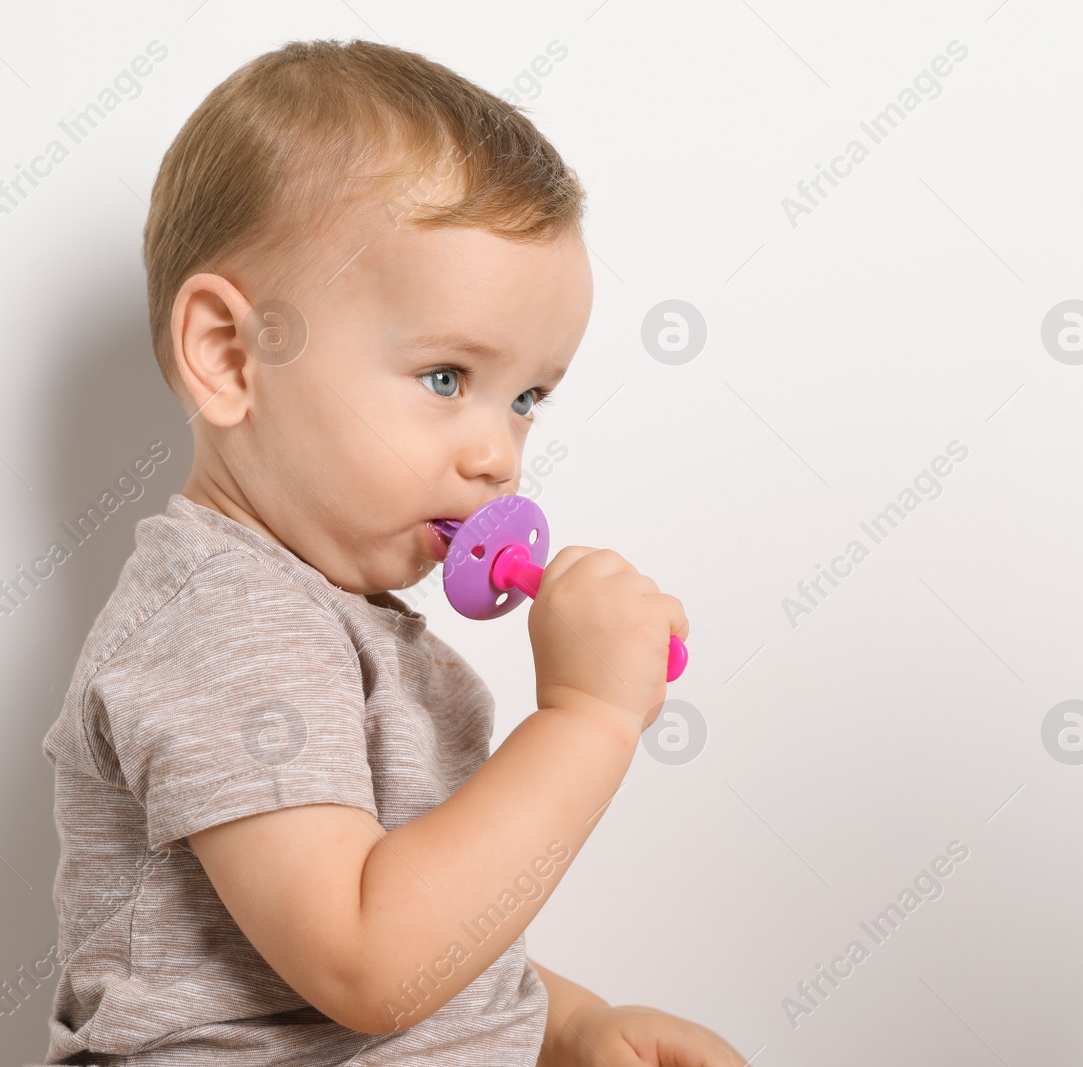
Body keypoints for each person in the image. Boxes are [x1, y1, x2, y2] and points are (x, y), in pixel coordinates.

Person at [40, 37, 742, 1066]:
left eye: (527, 399)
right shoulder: (226, 619)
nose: (496, 455)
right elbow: (367, 960)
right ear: (232, 356)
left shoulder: (334, 617)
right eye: (448, 377)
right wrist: (587, 717)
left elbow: (404, 926)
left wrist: (571, 1022)